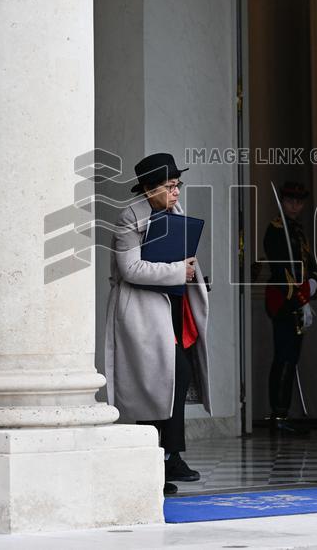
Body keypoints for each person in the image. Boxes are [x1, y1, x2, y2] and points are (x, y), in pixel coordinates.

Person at [104, 152, 211, 495]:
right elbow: (130, 270)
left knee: (177, 377)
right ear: (149, 189)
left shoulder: (174, 213)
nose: (176, 192)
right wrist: (181, 270)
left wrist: (190, 272)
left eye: (177, 184)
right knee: (157, 384)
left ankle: (169, 456)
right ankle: (159, 461)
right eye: (169, 186)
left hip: (173, 308)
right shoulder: (128, 219)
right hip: (143, 312)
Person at [263, 180, 317, 435]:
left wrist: (313, 284)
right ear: (283, 202)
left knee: (292, 356)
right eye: (290, 201)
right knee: (284, 357)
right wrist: (300, 299)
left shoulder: (298, 231)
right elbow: (282, 271)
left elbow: (308, 264)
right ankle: (278, 414)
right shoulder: (275, 230)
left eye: (299, 201)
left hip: (298, 298)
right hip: (284, 302)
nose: (295, 205)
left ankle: (282, 412)